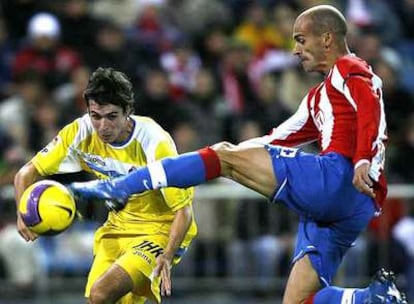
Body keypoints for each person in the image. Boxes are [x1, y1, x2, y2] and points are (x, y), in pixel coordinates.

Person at [69, 5, 407, 304]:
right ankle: (369, 298)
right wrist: (233, 158)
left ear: (328, 39)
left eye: (301, 39)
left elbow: (370, 107)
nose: (295, 50)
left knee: (223, 157)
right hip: (349, 206)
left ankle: (124, 186)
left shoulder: (351, 68)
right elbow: (276, 140)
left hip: (339, 178)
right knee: (299, 300)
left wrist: (364, 158)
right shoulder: (318, 98)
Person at [14, 67, 198, 304]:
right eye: (96, 116)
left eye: (112, 116)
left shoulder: (155, 142)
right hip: (117, 227)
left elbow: (184, 210)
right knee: (98, 300)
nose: (102, 126)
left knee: (102, 293)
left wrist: (167, 254)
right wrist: (23, 213)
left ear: (128, 112)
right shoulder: (80, 132)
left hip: (160, 230)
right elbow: (26, 172)